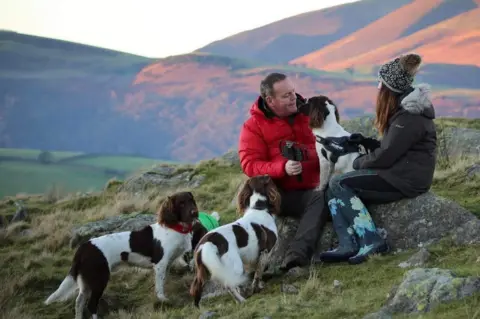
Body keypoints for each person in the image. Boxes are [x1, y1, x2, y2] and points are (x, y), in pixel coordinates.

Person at [314, 53, 437, 265]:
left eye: (380, 83)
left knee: (338, 182)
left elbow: (387, 156)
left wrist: (358, 162)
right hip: (399, 173)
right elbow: (393, 147)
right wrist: (366, 142)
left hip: (405, 179)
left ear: (390, 89)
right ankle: (347, 243)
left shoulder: (409, 118)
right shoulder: (404, 110)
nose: (378, 87)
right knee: (332, 188)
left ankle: (371, 239)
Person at [238, 72, 330, 271]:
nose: (293, 98)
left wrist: (305, 156)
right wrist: (282, 168)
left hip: (314, 185)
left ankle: (296, 254)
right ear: (270, 100)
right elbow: (250, 164)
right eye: (286, 95)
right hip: (279, 194)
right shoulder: (253, 126)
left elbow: (329, 145)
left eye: (293, 92)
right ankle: (281, 262)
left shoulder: (309, 113)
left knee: (320, 197)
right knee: (319, 199)